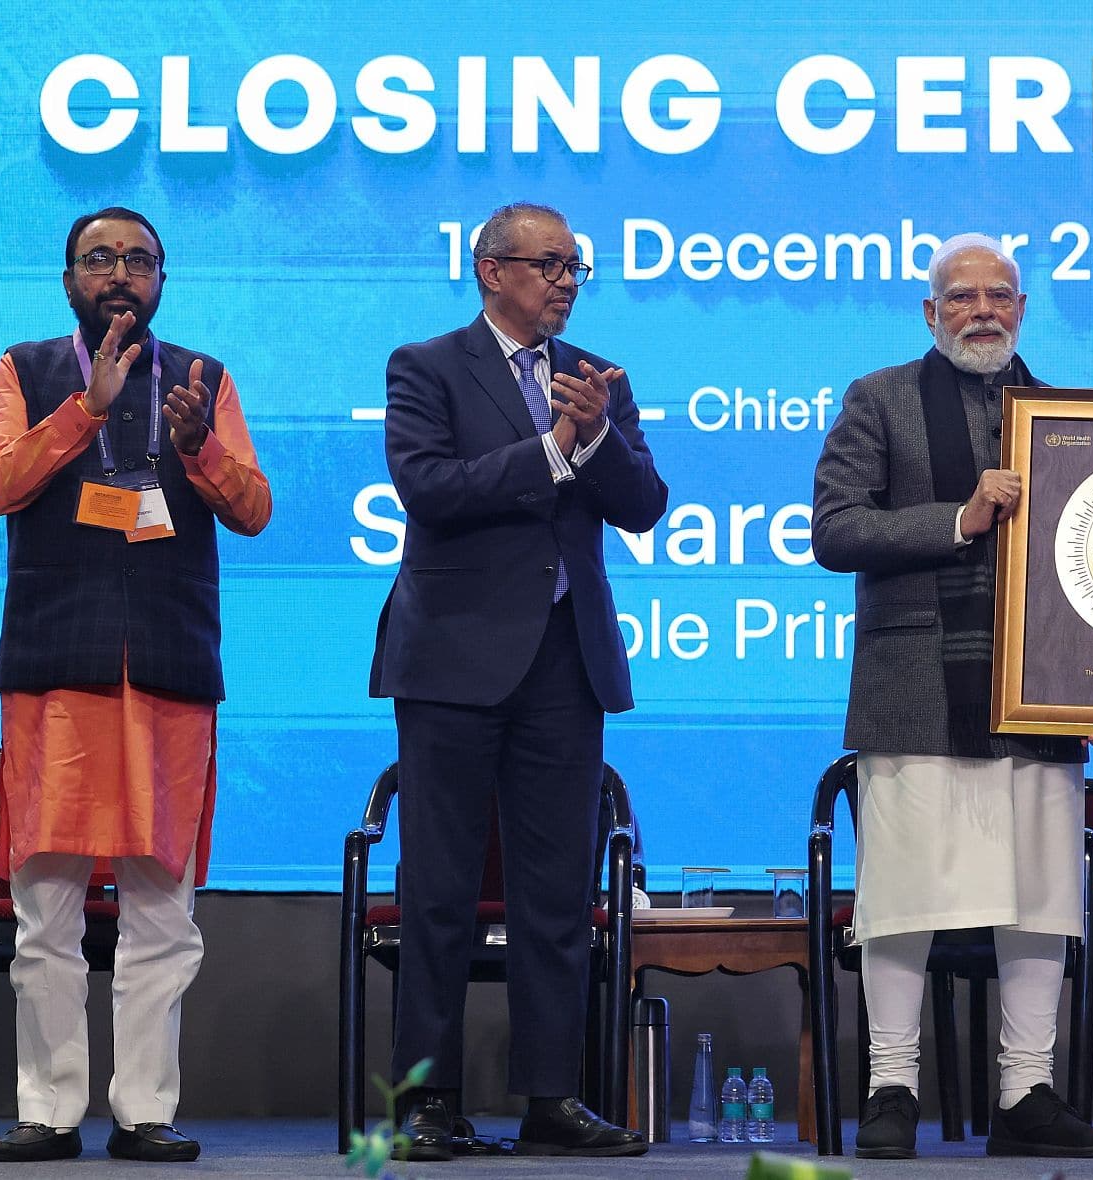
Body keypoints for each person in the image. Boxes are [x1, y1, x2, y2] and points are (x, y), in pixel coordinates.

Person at [811, 233, 1093, 1161]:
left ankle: (1027, 1096)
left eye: (1000, 296)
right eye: (962, 297)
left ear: (1023, 309)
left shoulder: (1070, 416)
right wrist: (960, 519)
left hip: (1039, 696)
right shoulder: (880, 398)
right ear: (930, 312)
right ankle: (891, 1088)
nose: (982, 310)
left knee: (1039, 898)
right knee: (902, 898)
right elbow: (836, 529)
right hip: (915, 689)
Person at [0, 207, 272, 1163]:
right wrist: (86, 411)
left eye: (138, 261)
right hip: (59, 669)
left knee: (159, 906)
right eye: (99, 259)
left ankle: (145, 1110)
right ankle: (47, 1111)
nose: (119, 275)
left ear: (162, 279)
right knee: (48, 905)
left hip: (169, 670)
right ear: (68, 279)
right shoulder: (27, 370)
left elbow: (254, 510)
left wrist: (198, 450)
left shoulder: (204, 379)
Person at [371, 202, 667, 1160]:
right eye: (550, 266)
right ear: (490, 269)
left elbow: (645, 505)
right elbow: (429, 489)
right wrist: (550, 450)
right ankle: (426, 1103)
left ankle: (553, 1099)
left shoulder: (597, 379)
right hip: (452, 656)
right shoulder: (425, 364)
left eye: (577, 267)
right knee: (440, 894)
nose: (567, 282)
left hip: (564, 659)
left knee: (553, 896)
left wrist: (597, 438)